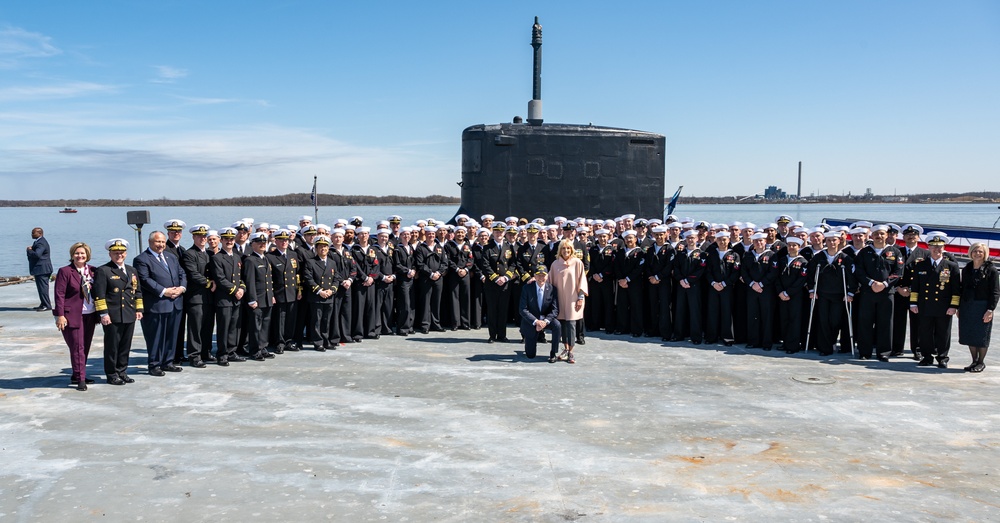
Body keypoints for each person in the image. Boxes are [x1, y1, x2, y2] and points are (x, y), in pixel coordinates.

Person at [133, 231, 187, 376]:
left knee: (172, 335)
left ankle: (168, 362)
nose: (161, 245)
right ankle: (154, 365)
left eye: (163, 242)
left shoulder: (171, 257)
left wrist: (181, 288)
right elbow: (144, 280)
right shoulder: (142, 259)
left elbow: (182, 273)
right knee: (156, 337)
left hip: (175, 302)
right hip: (156, 305)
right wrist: (164, 291)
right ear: (150, 242)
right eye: (158, 242)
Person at [92, 239, 143, 385]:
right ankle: (111, 373)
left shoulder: (132, 270)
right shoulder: (104, 270)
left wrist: (139, 309)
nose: (119, 255)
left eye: (121, 253)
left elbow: (137, 291)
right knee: (112, 346)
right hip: (113, 315)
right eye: (115, 253)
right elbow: (99, 294)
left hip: (129, 313)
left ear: (126, 254)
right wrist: (103, 313)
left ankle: (122, 371)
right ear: (110, 254)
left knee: (125, 345)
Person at [907, 232, 961, 368]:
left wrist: (953, 306)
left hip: (944, 306)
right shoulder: (920, 265)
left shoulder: (951, 266)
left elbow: (956, 289)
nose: (937, 250)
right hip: (925, 305)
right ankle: (926, 356)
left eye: (940, 247)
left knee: (943, 333)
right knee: (925, 332)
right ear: (928, 248)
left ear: (944, 248)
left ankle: (942, 357)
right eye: (933, 247)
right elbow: (915, 287)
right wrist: (913, 303)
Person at [53, 242, 98, 391]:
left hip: (90, 313)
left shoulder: (92, 271)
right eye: (77, 253)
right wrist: (60, 315)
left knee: (85, 346)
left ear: (88, 256)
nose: (80, 256)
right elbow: (59, 294)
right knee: (77, 347)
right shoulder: (65, 271)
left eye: (83, 253)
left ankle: (76, 373)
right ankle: (81, 379)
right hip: (72, 314)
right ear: (72, 255)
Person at [958, 242, 998, 372]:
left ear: (985, 253)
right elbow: (962, 288)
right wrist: (959, 307)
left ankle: (981, 362)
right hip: (967, 306)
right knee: (970, 334)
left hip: (982, 306)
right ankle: (974, 361)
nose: (977, 253)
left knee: (981, 336)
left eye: (980, 251)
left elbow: (995, 292)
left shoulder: (991, 269)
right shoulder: (967, 269)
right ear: (971, 252)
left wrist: (990, 309)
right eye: (975, 251)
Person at [181, 224, 215, 367]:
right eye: (199, 236)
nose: (202, 238)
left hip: (209, 297)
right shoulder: (189, 254)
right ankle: (194, 356)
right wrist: (209, 283)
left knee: (208, 326)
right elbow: (193, 274)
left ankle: (206, 352)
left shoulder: (210, 254)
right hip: (196, 297)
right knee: (195, 328)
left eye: (204, 236)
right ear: (193, 237)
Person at [551, 240, 588, 363]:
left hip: (573, 299)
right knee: (562, 325)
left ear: (571, 249)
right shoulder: (555, 264)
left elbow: (582, 280)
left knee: (571, 325)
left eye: (568, 248)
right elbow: (549, 282)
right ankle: (565, 348)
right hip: (559, 300)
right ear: (559, 250)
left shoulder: (577, 263)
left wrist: (580, 297)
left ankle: (571, 351)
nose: (565, 251)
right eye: (563, 248)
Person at [242, 232, 276, 360]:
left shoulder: (265, 258)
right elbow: (249, 281)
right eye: (259, 243)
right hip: (257, 299)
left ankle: (263, 347)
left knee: (265, 326)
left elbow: (268, 280)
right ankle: (255, 351)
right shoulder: (250, 260)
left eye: (264, 243)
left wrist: (271, 295)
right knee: (255, 327)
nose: (262, 245)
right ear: (253, 244)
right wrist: (251, 299)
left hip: (267, 298)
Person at [518, 264, 562, 362]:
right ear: (534, 276)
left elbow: (555, 310)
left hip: (545, 319)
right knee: (530, 355)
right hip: (532, 321)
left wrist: (545, 322)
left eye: (543, 275)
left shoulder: (552, 289)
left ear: (547, 276)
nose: (541, 278)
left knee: (557, 325)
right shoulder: (527, 288)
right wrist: (536, 321)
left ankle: (553, 353)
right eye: (538, 275)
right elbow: (522, 309)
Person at [27, 227, 53, 311]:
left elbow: (37, 254)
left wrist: (29, 250)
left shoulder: (41, 243)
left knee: (43, 288)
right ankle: (43, 304)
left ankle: (46, 305)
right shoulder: (39, 242)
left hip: (42, 269)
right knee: (41, 288)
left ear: (40, 233)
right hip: (41, 269)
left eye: (33, 233)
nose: (32, 234)